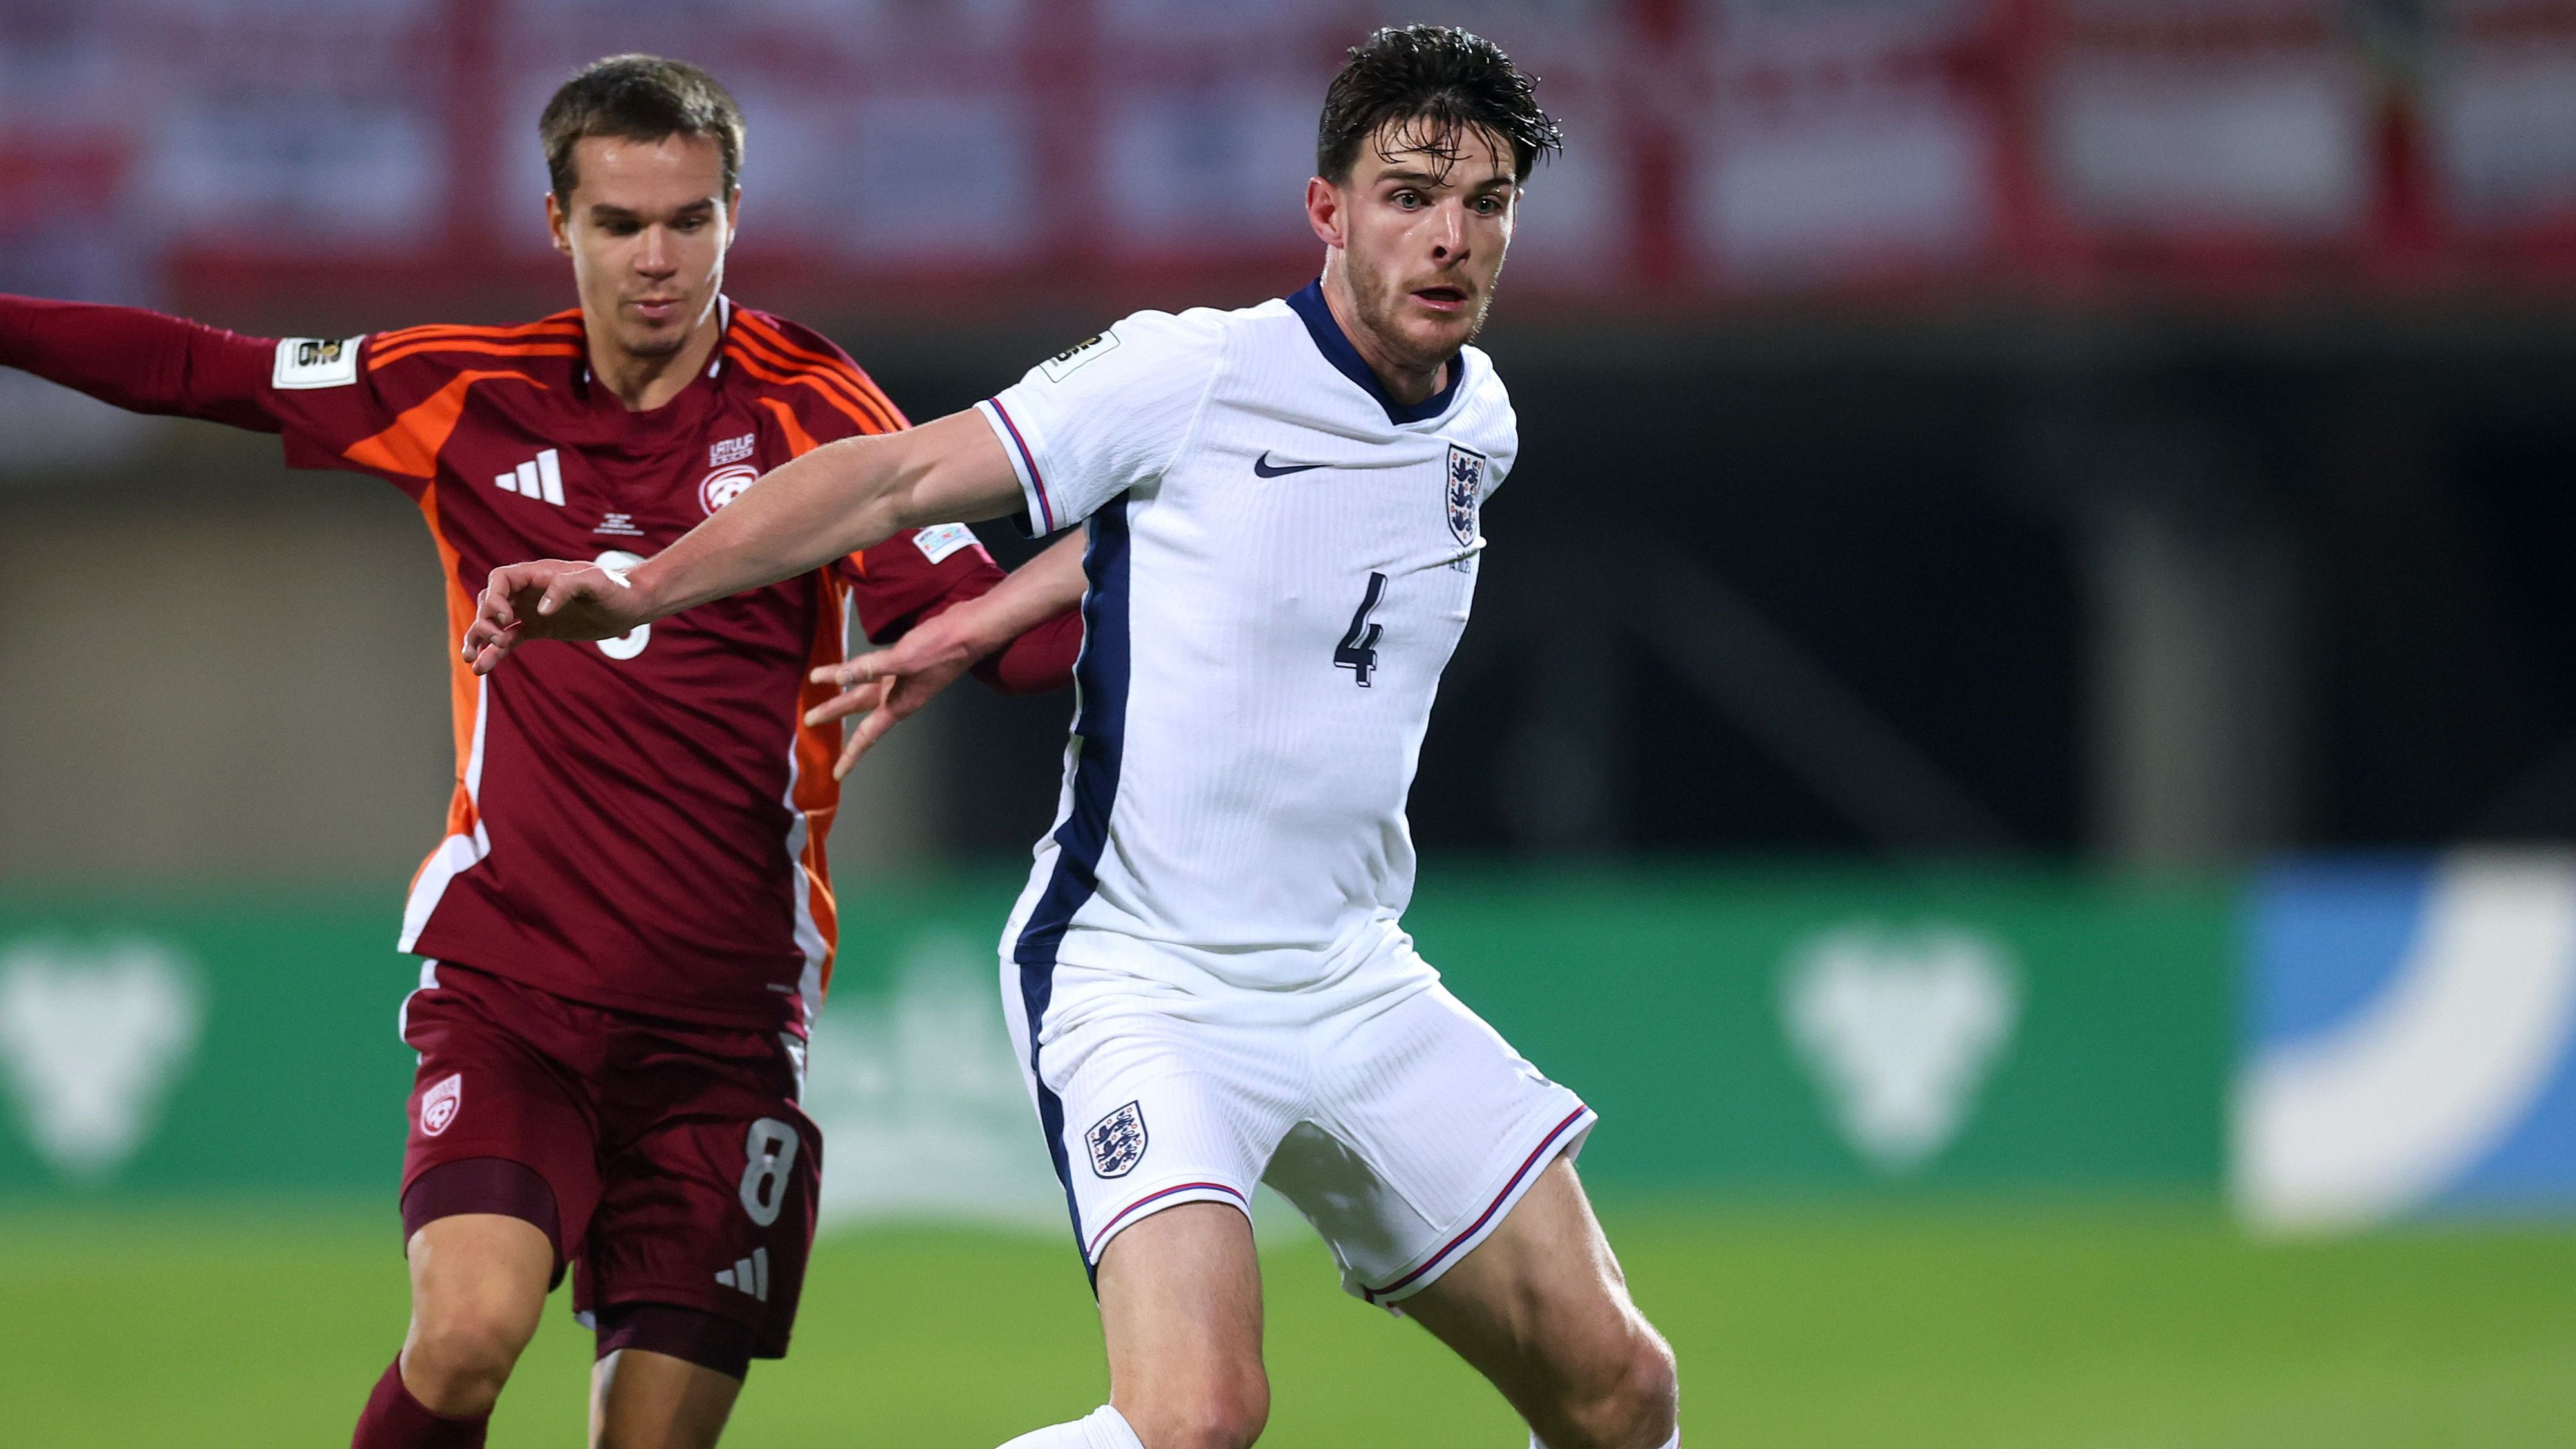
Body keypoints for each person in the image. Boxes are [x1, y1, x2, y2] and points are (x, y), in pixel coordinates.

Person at [463, 26, 1679, 1449]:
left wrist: (996, 614)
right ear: (1326, 210)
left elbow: (1225, 535)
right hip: (1148, 975)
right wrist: (641, 584)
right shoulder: (1194, 371)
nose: (1448, 237)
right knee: (1196, 1420)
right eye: (1408, 194)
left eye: (1485, 203)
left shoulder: (1479, 422)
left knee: (1621, 1387)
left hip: (1352, 973)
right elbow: (901, 475)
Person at [0, 53, 1082, 1449]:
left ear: (733, 219)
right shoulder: (467, 391)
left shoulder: (818, 410)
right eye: (622, 222)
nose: (657, 257)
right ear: (557, 224)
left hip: (729, 1019)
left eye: (690, 220)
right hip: (516, 984)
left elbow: (996, 635)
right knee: (463, 1337)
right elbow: (207, 372)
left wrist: (1047, 591)